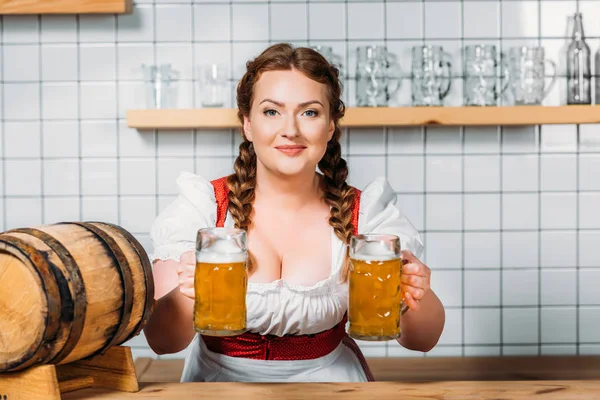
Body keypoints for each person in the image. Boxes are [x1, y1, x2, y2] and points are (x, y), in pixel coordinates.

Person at [143, 43, 445, 383]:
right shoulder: (202, 208)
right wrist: (191, 292)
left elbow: (422, 340)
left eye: (310, 112)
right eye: (272, 112)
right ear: (247, 124)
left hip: (332, 386)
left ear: (330, 127)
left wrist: (418, 291)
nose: (291, 129)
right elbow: (163, 342)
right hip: (217, 387)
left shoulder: (367, 216)